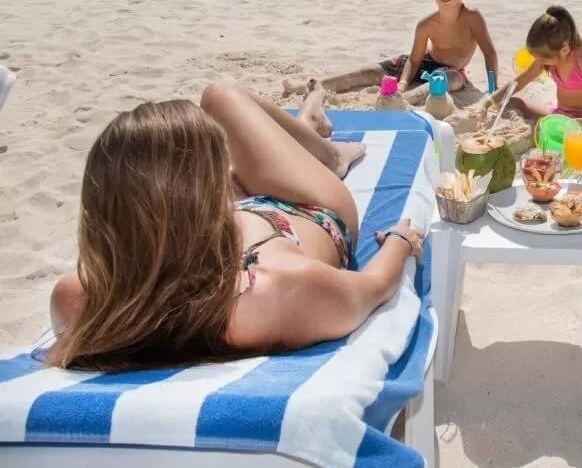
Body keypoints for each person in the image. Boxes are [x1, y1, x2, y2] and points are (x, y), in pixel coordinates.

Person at [47, 80, 424, 371]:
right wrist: (399, 240)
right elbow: (373, 287)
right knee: (219, 96)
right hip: (308, 207)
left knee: (217, 159)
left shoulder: (77, 299)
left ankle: (307, 123)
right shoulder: (281, 289)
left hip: (205, 228)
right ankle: (328, 154)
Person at [282, 0, 499, 106]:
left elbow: (489, 52)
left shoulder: (473, 17)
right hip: (420, 64)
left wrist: (492, 88)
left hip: (450, 71)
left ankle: (401, 100)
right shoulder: (426, 24)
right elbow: (414, 60)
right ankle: (309, 85)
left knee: (447, 79)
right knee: (365, 73)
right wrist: (403, 82)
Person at [487, 5, 582, 124]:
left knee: (545, 133)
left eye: (542, 60)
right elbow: (519, 81)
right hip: (558, 115)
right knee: (513, 101)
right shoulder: (549, 58)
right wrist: (488, 102)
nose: (539, 62)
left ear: (564, 50)